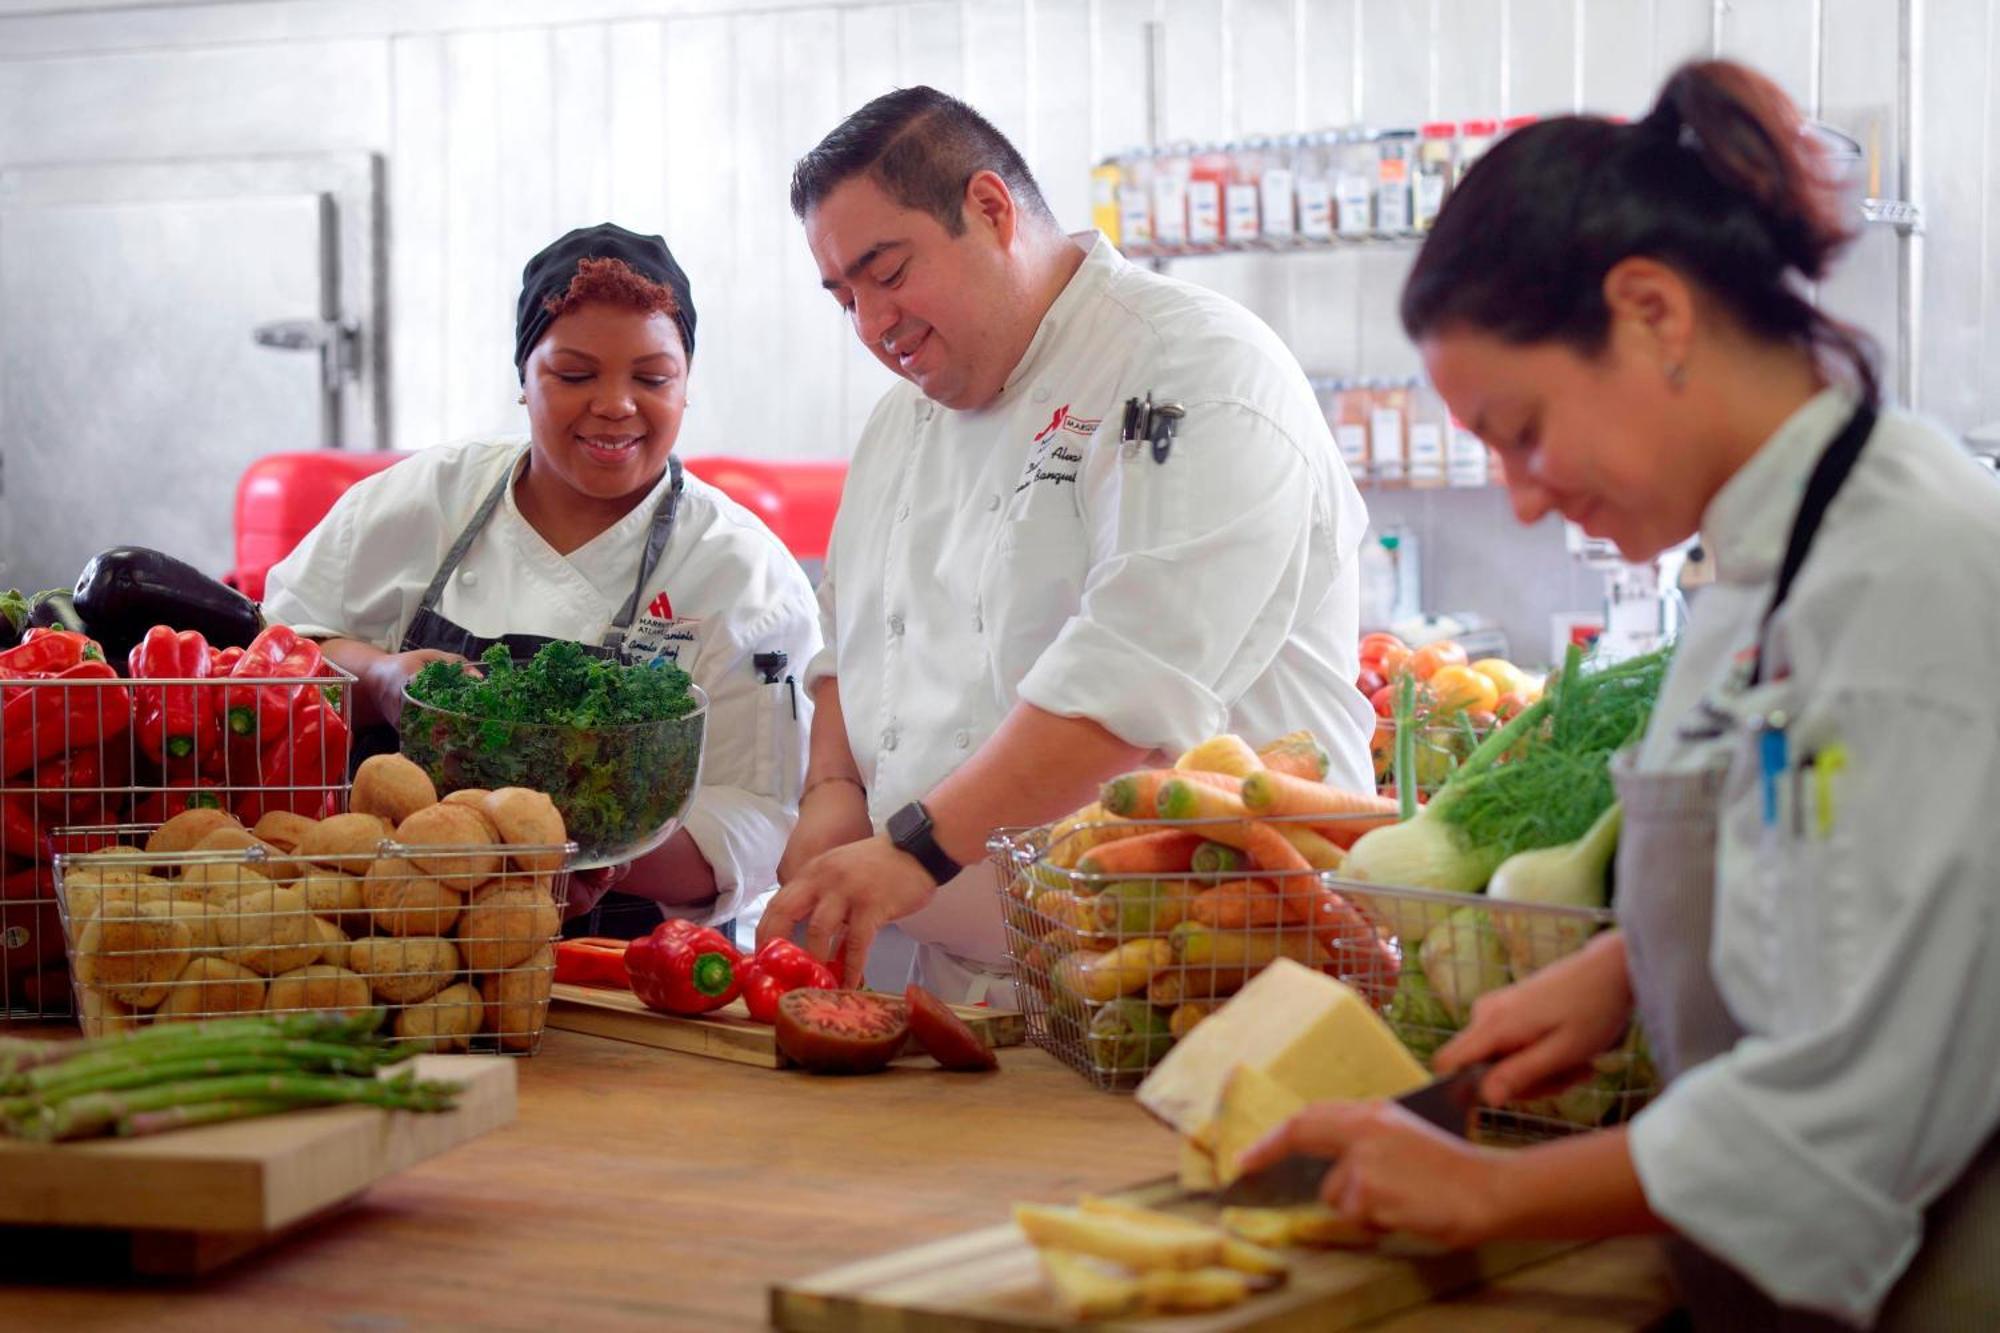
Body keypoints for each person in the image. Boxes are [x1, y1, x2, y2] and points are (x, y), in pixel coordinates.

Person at [1237, 61, 2000, 1330]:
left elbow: (1853, 1111)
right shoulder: (1763, 556)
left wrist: (1489, 1193)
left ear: (1649, 310)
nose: (1521, 496)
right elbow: (1819, 859)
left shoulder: (1909, 580)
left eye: (1522, 429)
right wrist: (1630, 971)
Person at [756, 88, 1375, 999]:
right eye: (844, 297)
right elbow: (854, 634)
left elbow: (1129, 678)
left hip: (1208, 974)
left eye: (887, 273)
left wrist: (915, 851)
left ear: (991, 209)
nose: (873, 326)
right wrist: (834, 793)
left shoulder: (1191, 367)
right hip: (970, 989)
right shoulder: (899, 423)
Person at [262, 223, 821, 938]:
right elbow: (277, 649)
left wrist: (588, 855)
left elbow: (759, 815)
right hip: (386, 932)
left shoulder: (740, 570)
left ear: (686, 385)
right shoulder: (426, 498)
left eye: (652, 378)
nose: (615, 404)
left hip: (621, 966)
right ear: (523, 378)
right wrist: (380, 679)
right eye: (575, 374)